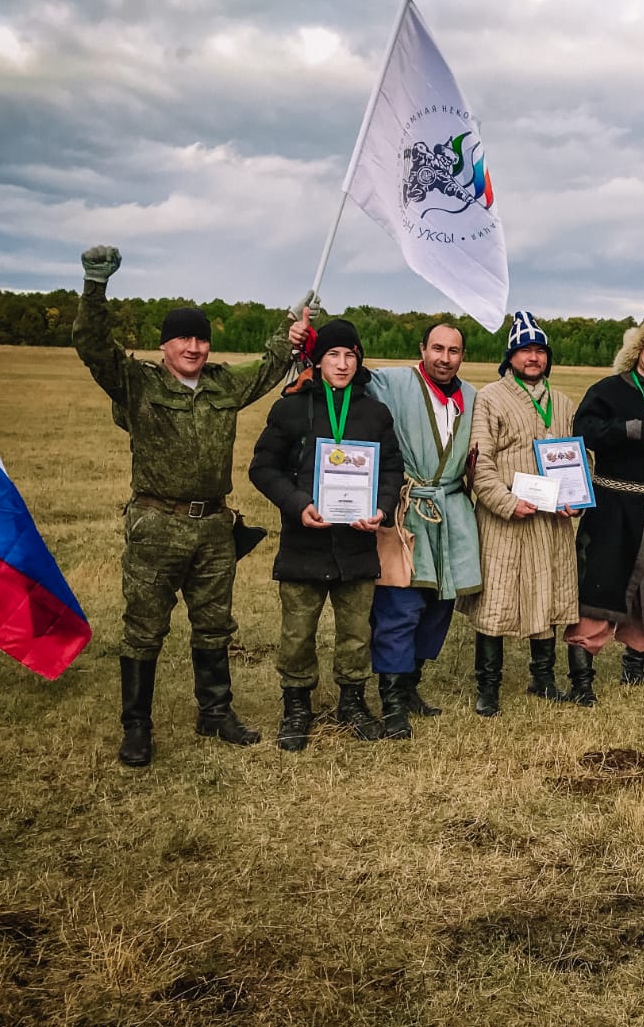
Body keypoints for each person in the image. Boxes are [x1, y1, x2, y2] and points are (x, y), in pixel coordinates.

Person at [73, 244, 309, 767]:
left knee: (214, 623)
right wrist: (95, 284)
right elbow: (91, 344)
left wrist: (291, 326)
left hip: (213, 529)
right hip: (156, 525)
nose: (194, 346)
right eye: (184, 337)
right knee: (144, 627)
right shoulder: (137, 382)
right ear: (165, 345)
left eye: (201, 337)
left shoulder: (223, 384)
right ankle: (136, 727)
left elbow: (270, 365)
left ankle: (215, 713)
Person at [249, 320, 403, 750]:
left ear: (359, 360)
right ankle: (296, 705)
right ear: (317, 361)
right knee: (297, 633)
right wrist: (299, 504)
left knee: (356, 632)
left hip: (356, 545)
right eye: (333, 355)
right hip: (305, 544)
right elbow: (262, 468)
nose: (342, 364)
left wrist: (381, 509)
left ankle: (352, 702)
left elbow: (391, 469)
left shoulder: (375, 413)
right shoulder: (292, 409)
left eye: (350, 356)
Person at [363, 322, 481, 738]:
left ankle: (410, 685)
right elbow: (346, 371)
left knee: (438, 605)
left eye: (453, 351)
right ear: (422, 349)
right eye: (437, 348)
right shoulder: (393, 382)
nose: (444, 358)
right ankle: (392, 701)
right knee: (400, 604)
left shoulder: (471, 397)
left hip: (449, 509)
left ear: (462, 355)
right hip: (408, 507)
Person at [460, 311, 583, 710]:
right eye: (524, 350)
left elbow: (576, 460)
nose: (533, 357)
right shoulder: (490, 398)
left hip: (551, 519)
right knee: (496, 598)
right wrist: (507, 503)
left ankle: (542, 677)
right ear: (510, 356)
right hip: (506, 518)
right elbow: (480, 463)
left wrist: (574, 499)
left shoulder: (563, 402)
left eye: (539, 351)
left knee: (547, 593)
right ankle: (487, 686)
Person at [564, 305, 644, 691]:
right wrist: (633, 429)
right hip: (611, 508)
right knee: (600, 583)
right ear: (637, 349)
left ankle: (635, 667)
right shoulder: (608, 390)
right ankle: (582, 679)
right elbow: (583, 431)